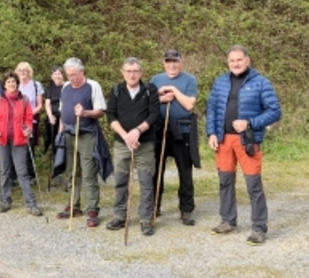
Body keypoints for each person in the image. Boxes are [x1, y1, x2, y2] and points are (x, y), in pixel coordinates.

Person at [206, 45, 281, 245]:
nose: (236, 64)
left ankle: (259, 228)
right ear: (227, 62)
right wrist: (211, 132)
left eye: (239, 60)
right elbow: (212, 109)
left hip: (247, 141)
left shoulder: (261, 82)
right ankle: (227, 221)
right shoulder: (220, 82)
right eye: (232, 60)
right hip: (223, 140)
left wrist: (249, 123)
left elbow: (274, 111)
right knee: (225, 182)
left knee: (253, 184)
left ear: (247, 60)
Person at [106, 57, 160, 236]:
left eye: (135, 71)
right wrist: (126, 136)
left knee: (146, 181)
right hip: (122, 144)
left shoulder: (150, 90)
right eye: (128, 71)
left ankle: (146, 219)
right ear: (123, 73)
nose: (132, 74)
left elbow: (154, 115)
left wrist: (137, 131)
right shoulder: (116, 91)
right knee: (120, 181)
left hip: (145, 143)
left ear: (141, 72)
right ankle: (119, 216)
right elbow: (111, 116)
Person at [55, 58, 108, 227]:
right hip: (69, 133)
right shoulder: (65, 87)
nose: (72, 78)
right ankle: (74, 205)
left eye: (74, 74)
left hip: (87, 134)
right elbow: (62, 112)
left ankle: (92, 209)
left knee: (88, 172)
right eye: (69, 75)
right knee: (72, 171)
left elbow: (101, 111)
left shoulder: (93, 86)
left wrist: (85, 113)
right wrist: (60, 132)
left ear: (82, 71)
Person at [151, 49, 199, 225]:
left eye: (175, 61)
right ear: (164, 63)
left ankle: (186, 209)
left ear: (181, 62)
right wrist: (161, 98)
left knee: (185, 171)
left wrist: (173, 90)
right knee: (156, 171)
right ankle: (154, 206)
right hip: (159, 129)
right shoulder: (155, 80)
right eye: (168, 61)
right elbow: (147, 103)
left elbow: (189, 105)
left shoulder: (189, 80)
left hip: (182, 130)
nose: (172, 65)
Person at [0, 72, 43, 216]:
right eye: (8, 82)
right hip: (3, 139)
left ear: (17, 83)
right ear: (4, 85)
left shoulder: (24, 99)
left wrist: (28, 128)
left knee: (22, 172)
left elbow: (29, 118)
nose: (11, 84)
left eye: (13, 81)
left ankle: (31, 204)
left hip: (19, 140)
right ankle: (5, 200)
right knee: (4, 171)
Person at [16, 62, 44, 181]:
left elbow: (40, 105)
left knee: (29, 147)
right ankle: (17, 174)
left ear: (29, 72)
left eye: (25, 70)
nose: (23, 72)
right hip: (16, 121)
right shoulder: (15, 85)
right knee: (17, 146)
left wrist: (28, 115)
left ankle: (30, 174)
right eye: (20, 70)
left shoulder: (36, 85)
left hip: (31, 120)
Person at [44, 66, 65, 154]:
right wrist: (50, 116)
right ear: (52, 76)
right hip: (53, 115)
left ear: (63, 75)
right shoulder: (49, 88)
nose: (57, 76)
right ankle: (54, 154)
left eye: (59, 74)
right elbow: (47, 103)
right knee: (52, 136)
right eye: (55, 74)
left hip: (64, 115)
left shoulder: (67, 86)